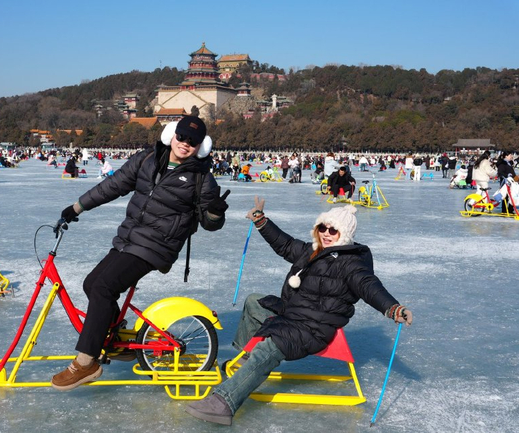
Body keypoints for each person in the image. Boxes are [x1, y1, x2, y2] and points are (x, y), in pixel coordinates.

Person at [186, 200, 413, 426]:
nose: (326, 234)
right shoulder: (313, 251)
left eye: (333, 230)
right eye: (322, 227)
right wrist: (262, 221)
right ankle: (247, 359)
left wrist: (392, 308)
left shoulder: (351, 265)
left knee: (269, 348)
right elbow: (285, 244)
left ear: (344, 234)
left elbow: (369, 287)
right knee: (255, 301)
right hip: (293, 313)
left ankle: (224, 403)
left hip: (313, 328)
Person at [50, 116, 230, 391]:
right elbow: (113, 185)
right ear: (172, 135)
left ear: (201, 147)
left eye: (193, 142)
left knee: (104, 287)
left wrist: (215, 212)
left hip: (157, 246)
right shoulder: (147, 159)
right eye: (182, 137)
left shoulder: (202, 179)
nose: (185, 144)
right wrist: (77, 207)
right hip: (128, 238)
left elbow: (210, 224)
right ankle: (114, 339)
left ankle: (86, 363)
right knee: (91, 284)